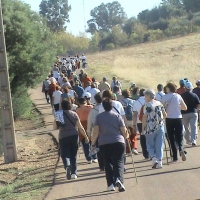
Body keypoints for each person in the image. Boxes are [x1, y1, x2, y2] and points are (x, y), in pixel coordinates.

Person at [91, 98, 128, 192]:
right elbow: (123, 131)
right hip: (118, 142)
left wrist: (93, 143)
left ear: (103, 106)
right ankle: (119, 179)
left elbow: (96, 132)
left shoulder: (99, 117)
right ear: (112, 106)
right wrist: (126, 136)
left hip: (104, 143)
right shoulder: (117, 116)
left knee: (107, 163)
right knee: (119, 162)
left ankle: (110, 184)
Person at [56, 100, 89, 180]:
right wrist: (86, 137)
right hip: (74, 135)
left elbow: (55, 127)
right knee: (73, 155)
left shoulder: (58, 115)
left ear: (61, 106)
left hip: (63, 136)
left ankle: (67, 165)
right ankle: (74, 173)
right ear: (70, 106)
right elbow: (80, 127)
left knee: (64, 154)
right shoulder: (74, 114)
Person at [161, 82, 187, 162]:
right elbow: (185, 107)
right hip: (178, 118)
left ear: (168, 88)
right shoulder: (178, 96)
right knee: (180, 136)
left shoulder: (164, 97)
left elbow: (160, 108)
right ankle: (181, 148)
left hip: (169, 119)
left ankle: (175, 157)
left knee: (171, 138)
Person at [142, 89, 167, 169]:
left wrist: (143, 128)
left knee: (149, 144)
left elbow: (144, 117)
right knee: (159, 145)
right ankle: (159, 162)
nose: (144, 98)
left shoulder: (147, 105)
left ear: (149, 96)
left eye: (145, 96)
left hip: (150, 127)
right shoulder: (159, 103)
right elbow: (165, 114)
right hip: (160, 126)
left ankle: (153, 158)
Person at [76, 98, 97, 163]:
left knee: (85, 143)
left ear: (79, 103)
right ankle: (94, 157)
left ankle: (88, 158)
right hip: (90, 124)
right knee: (93, 142)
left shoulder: (77, 110)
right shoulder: (90, 107)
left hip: (82, 125)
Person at [87, 93, 104, 171]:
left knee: (98, 149)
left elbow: (89, 123)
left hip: (95, 131)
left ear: (95, 100)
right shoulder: (105, 107)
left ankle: (101, 166)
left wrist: (89, 133)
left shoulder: (93, 111)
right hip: (105, 130)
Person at [181, 82, 200, 146]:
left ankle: (188, 140)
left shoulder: (182, 95)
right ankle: (193, 140)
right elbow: (198, 104)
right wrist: (197, 110)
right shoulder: (194, 95)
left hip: (184, 113)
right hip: (193, 112)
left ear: (185, 88)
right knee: (193, 127)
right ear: (191, 88)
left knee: (186, 127)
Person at [120, 90, 139, 155]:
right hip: (132, 119)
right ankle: (134, 147)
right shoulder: (133, 101)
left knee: (126, 134)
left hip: (124, 120)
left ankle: (128, 150)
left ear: (123, 95)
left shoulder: (120, 102)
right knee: (134, 134)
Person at [132, 89, 149, 159]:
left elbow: (135, 115)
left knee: (142, 136)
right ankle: (152, 152)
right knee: (150, 136)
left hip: (140, 121)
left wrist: (134, 125)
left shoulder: (136, 102)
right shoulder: (148, 101)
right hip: (149, 121)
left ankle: (145, 153)